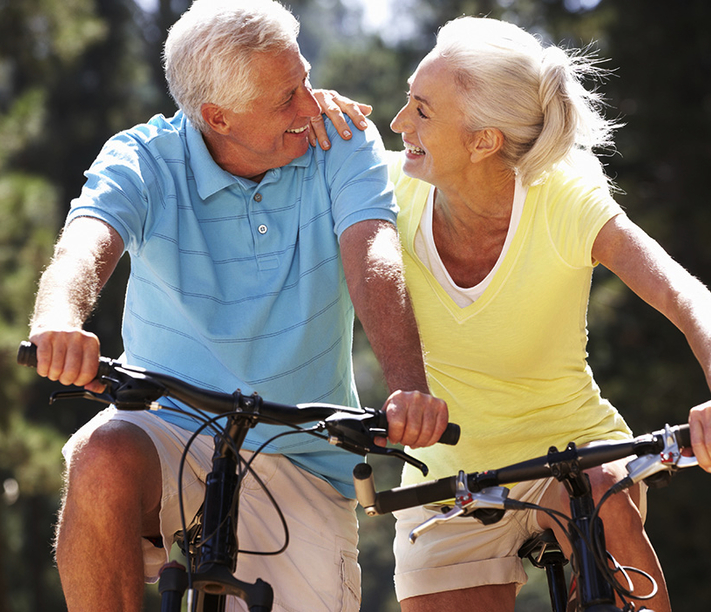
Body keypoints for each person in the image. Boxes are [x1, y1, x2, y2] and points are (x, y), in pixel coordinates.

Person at [312, 15, 711, 612]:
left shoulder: (564, 196)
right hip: (447, 477)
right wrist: (301, 116)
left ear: (483, 140)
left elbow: (684, 293)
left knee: (603, 499)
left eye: (422, 109)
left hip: (573, 453)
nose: (398, 124)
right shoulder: (384, 191)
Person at [27, 1, 450, 610]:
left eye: (304, 79)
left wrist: (409, 385)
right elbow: (86, 241)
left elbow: (372, 255)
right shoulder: (144, 157)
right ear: (216, 116)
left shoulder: (338, 138)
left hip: (300, 448)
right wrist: (58, 322)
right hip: (169, 426)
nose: (311, 105)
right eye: (286, 98)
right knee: (103, 457)